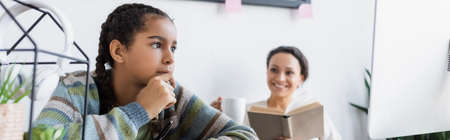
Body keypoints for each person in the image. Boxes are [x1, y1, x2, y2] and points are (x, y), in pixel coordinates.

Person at [33, 3, 257, 140]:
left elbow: (245, 136)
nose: (170, 58)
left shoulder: (174, 97)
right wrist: (139, 111)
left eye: (174, 48)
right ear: (119, 51)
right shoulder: (76, 89)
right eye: (157, 45)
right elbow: (41, 137)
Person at [211, 46, 341, 140]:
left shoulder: (314, 113)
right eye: (274, 70)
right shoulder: (246, 111)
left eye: (289, 72)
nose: (280, 78)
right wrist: (214, 117)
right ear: (267, 72)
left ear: (301, 78)